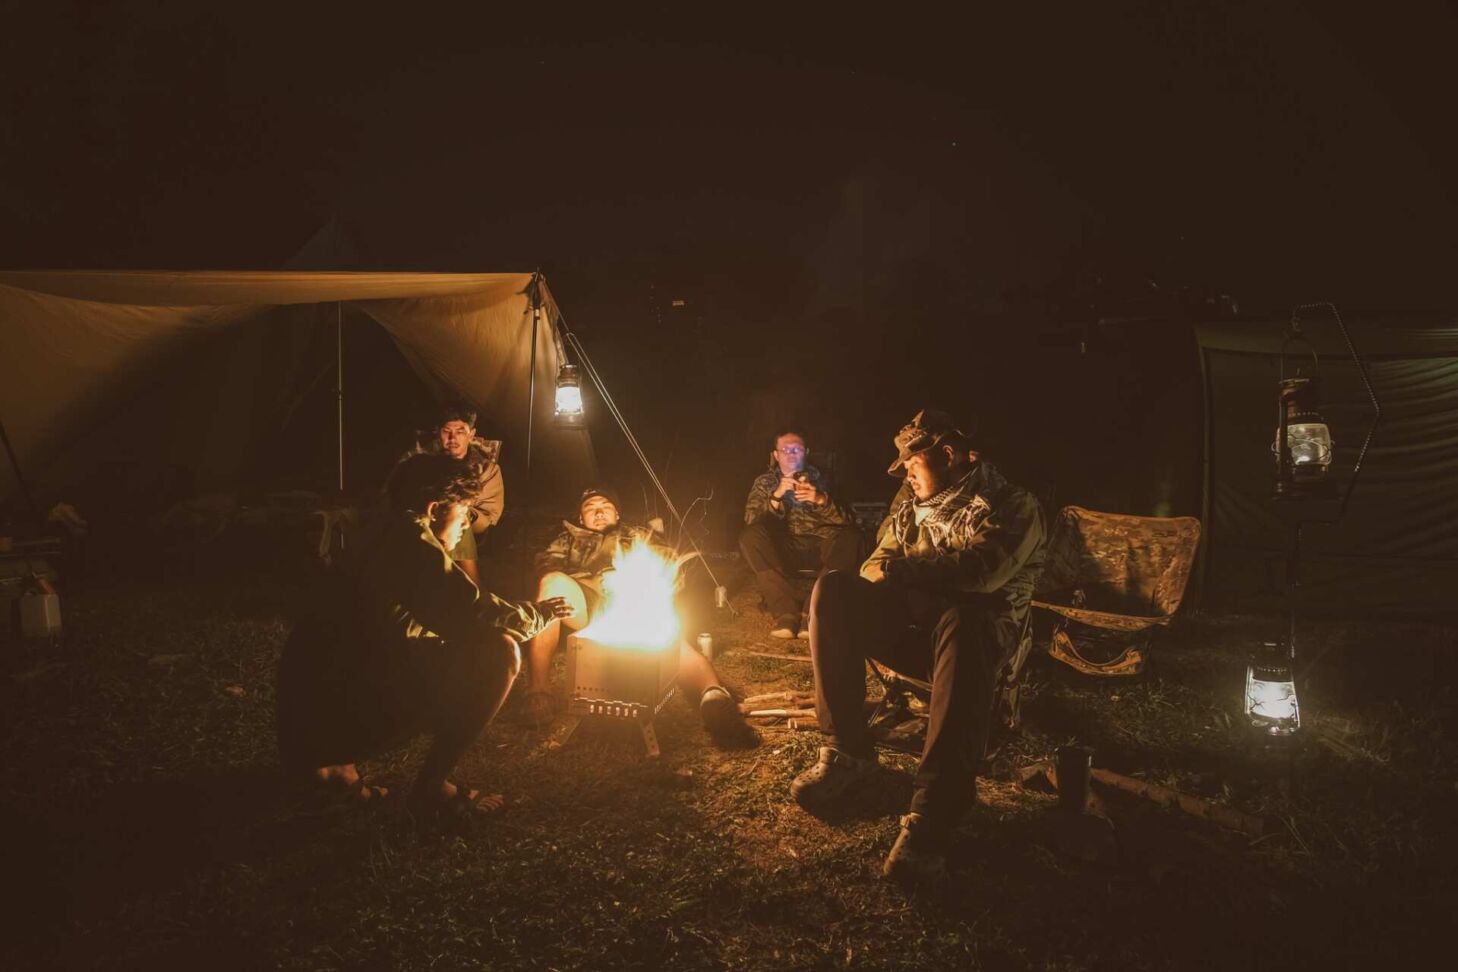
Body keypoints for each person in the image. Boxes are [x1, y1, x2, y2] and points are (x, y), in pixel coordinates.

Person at [789, 409, 1046, 884]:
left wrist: (904, 574)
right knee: (834, 590)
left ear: (947, 455)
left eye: (912, 462)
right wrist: (896, 579)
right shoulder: (909, 504)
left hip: (977, 643)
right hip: (914, 629)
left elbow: (980, 574)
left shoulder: (1011, 504)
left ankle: (934, 811)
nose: (906, 473)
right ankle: (848, 752)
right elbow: (875, 564)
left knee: (967, 616)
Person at [277, 453, 572, 819]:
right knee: (499, 653)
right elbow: (475, 615)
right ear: (434, 509)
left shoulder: (377, 529)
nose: (464, 527)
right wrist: (540, 613)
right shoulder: (412, 545)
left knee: (442, 649)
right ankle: (431, 789)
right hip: (336, 711)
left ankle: (333, 772)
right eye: (464, 515)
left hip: (307, 717)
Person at [523, 486, 755, 746]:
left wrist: (629, 580)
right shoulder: (565, 540)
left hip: (631, 600)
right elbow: (545, 567)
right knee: (551, 583)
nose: (598, 512)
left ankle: (713, 696)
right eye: (590, 508)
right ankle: (538, 692)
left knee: (667, 640)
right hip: (584, 605)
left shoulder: (638, 535)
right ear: (580, 517)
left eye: (605, 506)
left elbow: (671, 563)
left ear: (617, 513)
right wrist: (593, 581)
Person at [738, 431, 861, 639]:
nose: (791, 454)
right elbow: (751, 520)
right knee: (750, 536)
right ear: (776, 455)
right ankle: (786, 611)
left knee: (853, 538)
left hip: (823, 546)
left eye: (797, 449)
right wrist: (776, 496)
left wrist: (821, 499)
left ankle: (812, 610)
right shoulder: (765, 482)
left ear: (807, 452)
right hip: (783, 550)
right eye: (785, 450)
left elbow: (849, 519)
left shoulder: (825, 479)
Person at [399, 403, 504, 586]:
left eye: (460, 432)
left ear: (471, 434)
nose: (452, 438)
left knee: (456, 519)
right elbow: (398, 491)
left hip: (469, 529)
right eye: (446, 431)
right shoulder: (422, 460)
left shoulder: (487, 469)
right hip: (426, 518)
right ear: (438, 432)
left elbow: (488, 519)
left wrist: (460, 510)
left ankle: (473, 587)